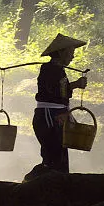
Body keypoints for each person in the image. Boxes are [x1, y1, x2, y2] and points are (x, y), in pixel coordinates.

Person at [30, 32, 88, 176]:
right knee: (53, 158)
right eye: (71, 52)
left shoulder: (58, 70)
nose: (72, 56)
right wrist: (75, 85)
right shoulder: (49, 70)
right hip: (50, 117)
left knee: (59, 158)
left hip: (56, 116)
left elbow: (62, 92)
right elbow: (57, 92)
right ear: (61, 52)